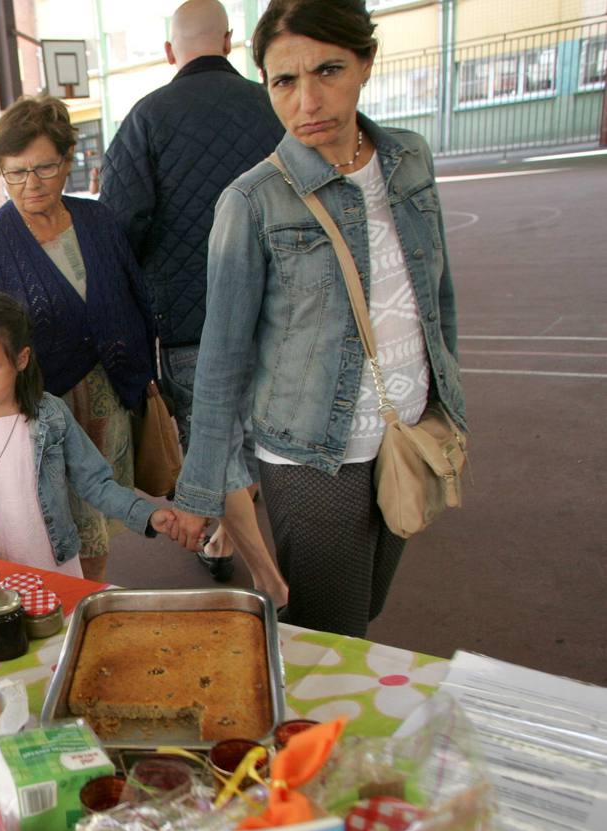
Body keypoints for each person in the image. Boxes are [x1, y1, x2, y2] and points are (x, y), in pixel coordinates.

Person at [168, 0, 465, 637]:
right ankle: (311, 734)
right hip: (309, 452)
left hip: (406, 427)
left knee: (368, 603)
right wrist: (201, 492)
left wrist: (450, 402)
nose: (307, 101)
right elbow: (220, 360)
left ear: (366, 63)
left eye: (328, 71)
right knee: (333, 628)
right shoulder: (251, 201)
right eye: (284, 81)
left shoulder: (409, 159)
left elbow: (436, 298)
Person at [99, 0, 288, 606]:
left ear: (169, 52)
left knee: (211, 440)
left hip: (188, 319)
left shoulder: (146, 119)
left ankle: (247, 560)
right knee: (263, 440)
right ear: (230, 42)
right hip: (279, 315)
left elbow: (120, 226)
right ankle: (233, 543)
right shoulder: (276, 104)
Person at [0, 95, 157, 584]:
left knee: (97, 521)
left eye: (44, 168)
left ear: (68, 161)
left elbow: (134, 297)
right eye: (15, 172)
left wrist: (145, 376)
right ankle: (69, 607)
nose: (31, 184)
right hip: (38, 409)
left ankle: (90, 596)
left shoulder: (97, 221)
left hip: (107, 397)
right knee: (50, 524)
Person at [0, 293, 177, 573]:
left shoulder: (52, 416)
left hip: (54, 564)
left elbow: (94, 481)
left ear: (21, 359)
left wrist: (146, 514)